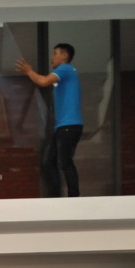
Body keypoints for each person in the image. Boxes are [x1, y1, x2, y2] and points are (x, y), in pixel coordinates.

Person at [17, 43, 83, 197]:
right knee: (48, 161)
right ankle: (55, 196)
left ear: (64, 56)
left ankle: (74, 197)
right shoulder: (65, 74)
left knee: (65, 161)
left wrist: (29, 71)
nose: (52, 58)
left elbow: (43, 81)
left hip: (69, 125)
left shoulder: (65, 69)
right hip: (62, 126)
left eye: (55, 54)